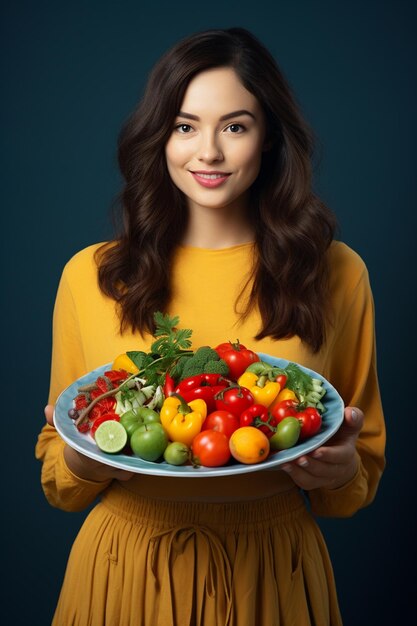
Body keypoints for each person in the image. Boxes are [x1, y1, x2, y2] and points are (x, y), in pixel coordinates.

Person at [36, 27, 386, 626]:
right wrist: (82, 458)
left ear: (269, 135)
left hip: (272, 569)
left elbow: (360, 472)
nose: (209, 153)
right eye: (185, 125)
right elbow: (57, 476)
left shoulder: (335, 271)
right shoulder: (91, 276)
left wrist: (345, 468)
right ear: (160, 136)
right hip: (124, 568)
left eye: (235, 126)